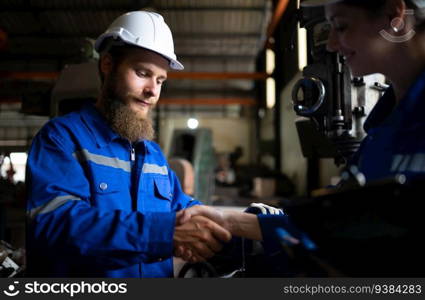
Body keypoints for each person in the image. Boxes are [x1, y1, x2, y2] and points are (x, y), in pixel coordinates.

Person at [177, 0, 425, 275]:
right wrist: (228, 221)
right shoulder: (380, 132)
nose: (331, 44)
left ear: (394, 15)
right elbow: (335, 223)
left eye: (341, 26)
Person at [25, 11, 231, 278]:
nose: (152, 91)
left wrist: (245, 225)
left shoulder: (153, 154)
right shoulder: (61, 139)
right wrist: (163, 233)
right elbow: (55, 225)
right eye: (143, 73)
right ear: (107, 65)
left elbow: (185, 211)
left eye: (160, 80)